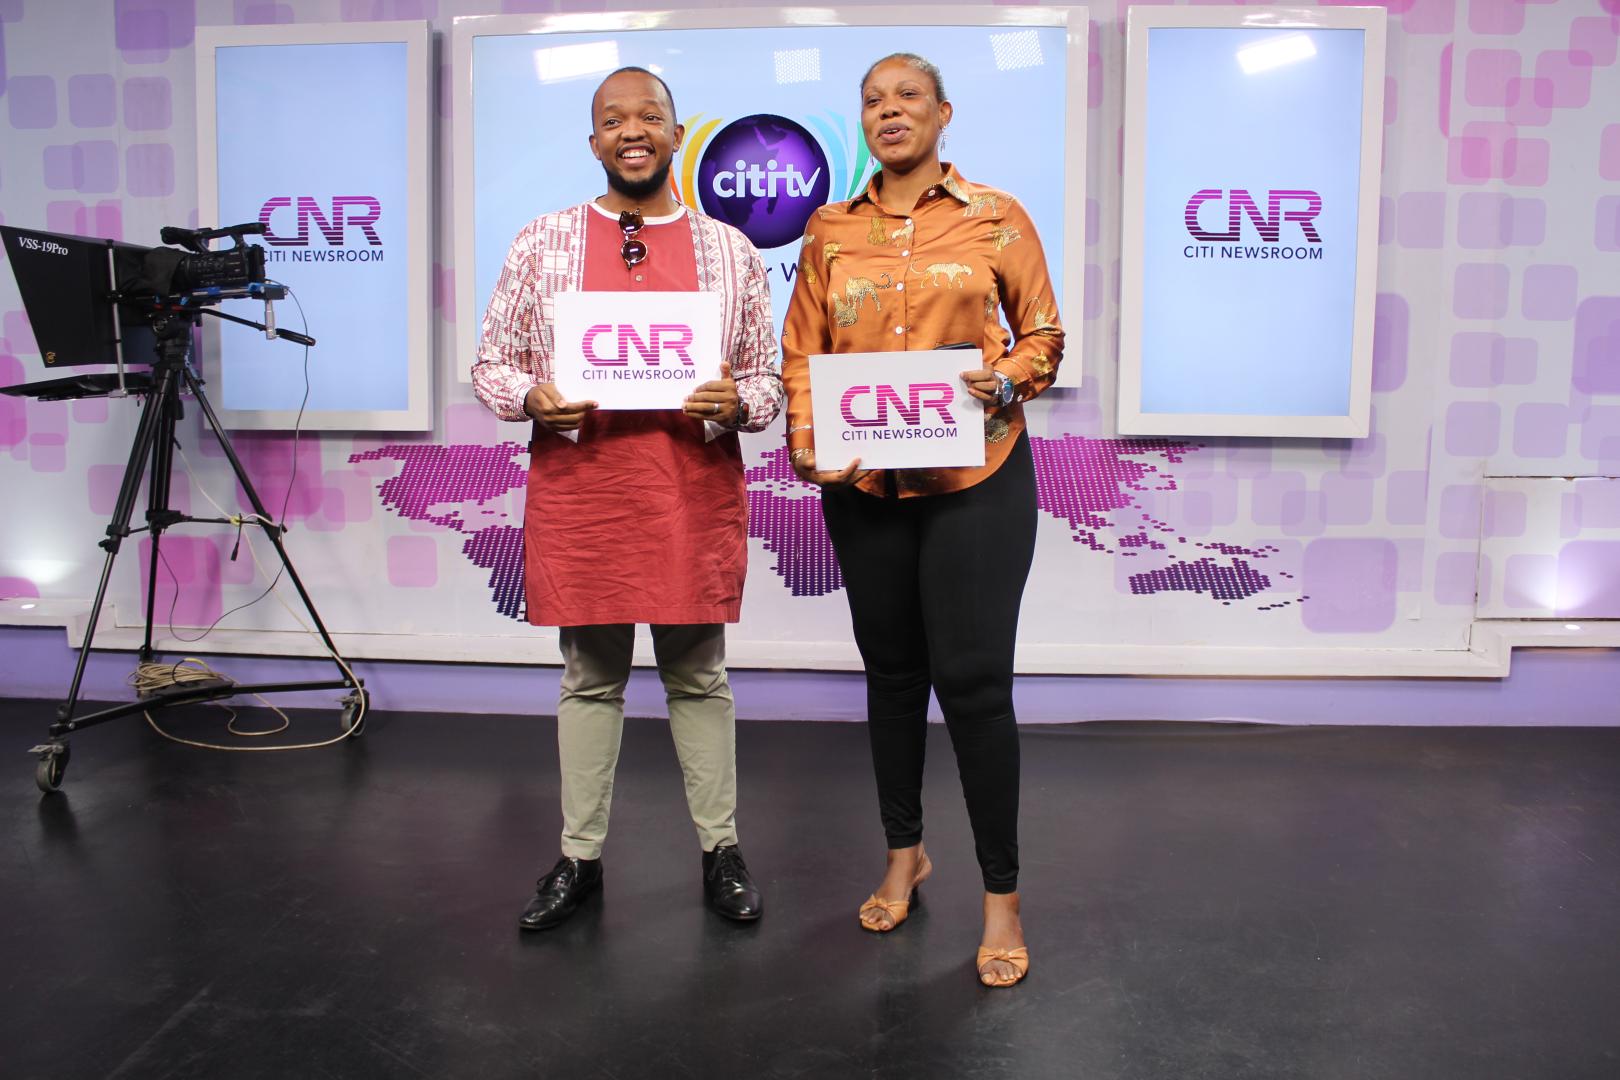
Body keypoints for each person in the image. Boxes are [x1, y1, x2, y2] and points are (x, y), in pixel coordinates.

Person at [473, 67, 783, 930]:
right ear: (594, 141)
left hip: (690, 491)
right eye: (614, 120)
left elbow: (767, 382)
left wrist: (739, 403)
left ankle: (722, 850)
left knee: (700, 678)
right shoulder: (542, 241)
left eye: (649, 116)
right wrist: (530, 396)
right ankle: (578, 859)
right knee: (589, 679)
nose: (632, 131)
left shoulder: (730, 249)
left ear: (678, 135)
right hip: (585, 491)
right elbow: (492, 364)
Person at [780, 53, 1064, 987]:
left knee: (974, 687)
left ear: (944, 113)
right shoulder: (828, 229)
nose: (888, 111)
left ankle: (1002, 897)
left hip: (977, 476)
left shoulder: (996, 215)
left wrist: (1005, 379)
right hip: (866, 486)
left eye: (907, 97)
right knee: (893, 678)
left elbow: (1044, 335)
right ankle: (905, 853)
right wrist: (807, 444)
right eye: (872, 100)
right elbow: (801, 354)